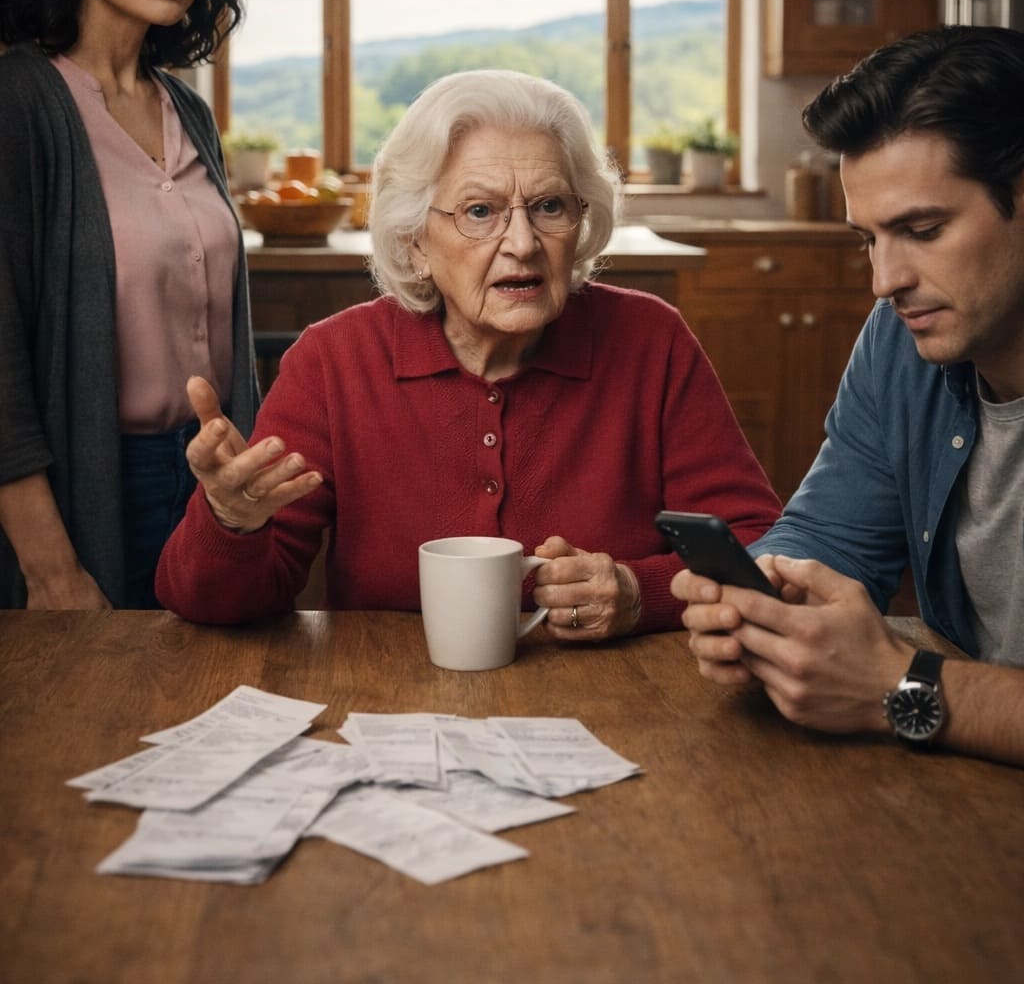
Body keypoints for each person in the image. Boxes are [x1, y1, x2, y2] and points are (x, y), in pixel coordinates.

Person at [156, 69, 780, 629]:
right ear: (415, 242)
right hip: (391, 702)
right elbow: (216, 603)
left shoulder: (652, 342)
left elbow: (761, 549)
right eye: (480, 211)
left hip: (608, 703)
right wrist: (232, 521)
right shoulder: (334, 362)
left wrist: (640, 593)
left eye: (550, 207)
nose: (523, 243)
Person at [676, 25, 1024, 767]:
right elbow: (832, 536)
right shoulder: (903, 339)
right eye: (867, 239)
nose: (885, 280)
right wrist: (766, 601)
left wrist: (903, 688)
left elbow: (897, 686)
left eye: (922, 230)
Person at [0, 0, 259, 610]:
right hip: (89, 493)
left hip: (212, 487)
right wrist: (50, 570)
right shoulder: (18, 105)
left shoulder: (189, 113)